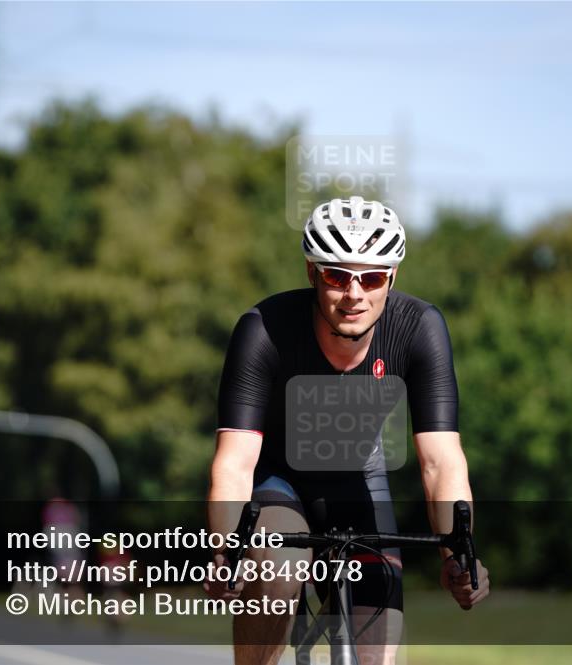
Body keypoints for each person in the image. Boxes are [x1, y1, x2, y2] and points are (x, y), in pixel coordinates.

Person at [205, 196, 490, 665]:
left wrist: (458, 554)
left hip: (359, 481)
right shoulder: (264, 329)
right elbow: (234, 463)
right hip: (279, 483)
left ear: (392, 278)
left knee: (378, 654)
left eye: (372, 278)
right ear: (312, 273)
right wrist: (225, 551)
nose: (355, 294)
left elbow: (441, 461)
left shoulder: (418, 328)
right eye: (337, 275)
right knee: (278, 568)